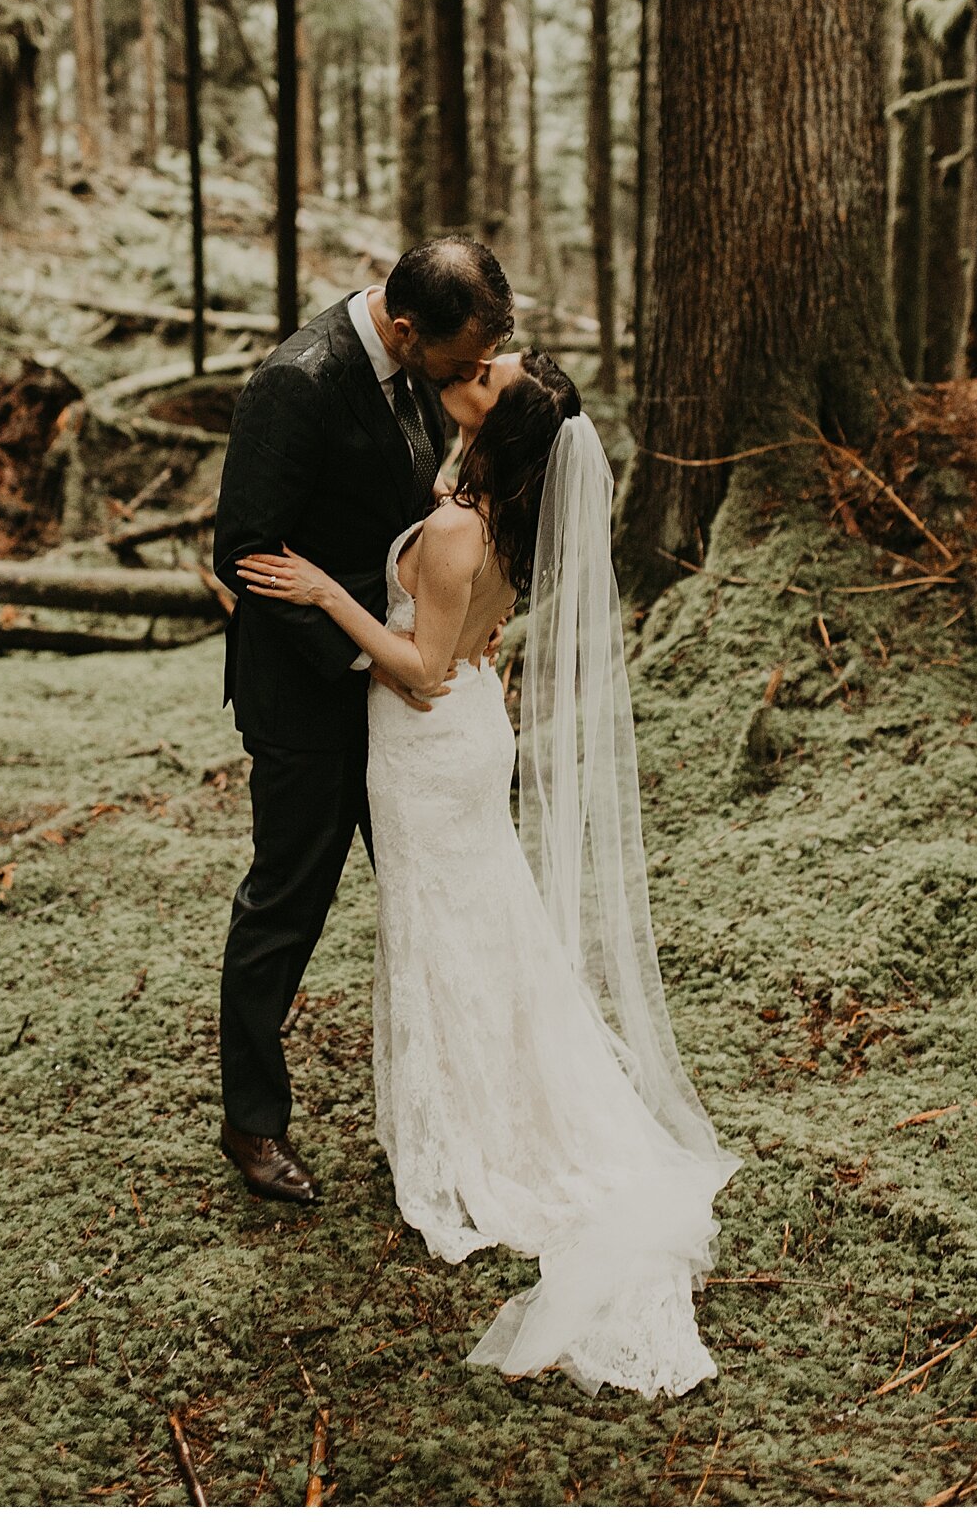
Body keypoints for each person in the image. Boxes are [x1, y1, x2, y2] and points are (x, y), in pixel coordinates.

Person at [237, 349, 743, 1400]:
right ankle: (480, 1095)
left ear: (495, 417)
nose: (474, 366)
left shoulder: (465, 522)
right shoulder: (491, 506)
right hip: (465, 729)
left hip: (429, 741)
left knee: (447, 929)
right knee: (477, 923)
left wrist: (330, 589)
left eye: (488, 370)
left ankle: (477, 1129)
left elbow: (419, 670)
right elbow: (463, 630)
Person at [212, 237, 515, 1206]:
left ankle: (456, 1106)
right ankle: (253, 1124)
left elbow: (411, 514)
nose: (472, 377)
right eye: (460, 360)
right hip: (308, 699)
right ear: (401, 326)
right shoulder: (294, 383)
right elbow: (248, 551)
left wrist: (442, 625)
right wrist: (371, 637)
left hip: (404, 704)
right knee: (285, 905)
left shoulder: (424, 371)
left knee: (439, 899)